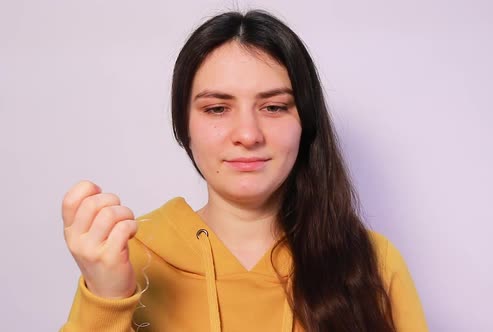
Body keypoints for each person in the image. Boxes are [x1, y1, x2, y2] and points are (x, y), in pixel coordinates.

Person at [60, 10, 428, 332]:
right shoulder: (128, 257)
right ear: (183, 125)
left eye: (274, 107)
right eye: (218, 108)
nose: (248, 135)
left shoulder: (371, 262)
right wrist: (106, 298)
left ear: (306, 122)